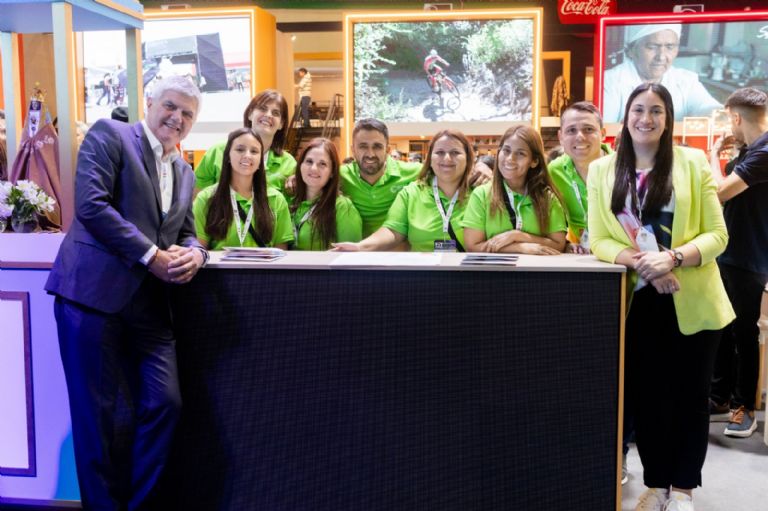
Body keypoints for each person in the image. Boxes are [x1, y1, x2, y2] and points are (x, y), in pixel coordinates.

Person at [44, 75, 208, 510]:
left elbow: (187, 233)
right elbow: (91, 205)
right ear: (149, 101)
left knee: (165, 404)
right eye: (170, 106)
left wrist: (197, 254)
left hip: (150, 308)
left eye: (187, 113)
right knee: (96, 419)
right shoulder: (111, 135)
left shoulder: (185, 171)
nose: (177, 118)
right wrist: (152, 255)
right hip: (91, 297)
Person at [588, 83, 734, 511]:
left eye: (656, 110)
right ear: (626, 116)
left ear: (668, 119)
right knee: (648, 398)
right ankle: (656, 485)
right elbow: (598, 240)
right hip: (638, 303)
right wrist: (644, 264)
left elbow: (718, 235)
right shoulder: (603, 170)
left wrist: (673, 258)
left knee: (690, 399)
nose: (646, 118)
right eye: (638, 109)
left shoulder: (691, 162)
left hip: (693, 298)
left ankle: (684, 488)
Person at [708, 87, 768, 438]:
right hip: (729, 252)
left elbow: (719, 192)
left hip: (749, 255)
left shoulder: (764, 153)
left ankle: (745, 406)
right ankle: (719, 397)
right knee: (723, 327)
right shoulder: (751, 151)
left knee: (744, 331)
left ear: (734, 117)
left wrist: (712, 156)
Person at [333, 129, 473, 252]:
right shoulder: (411, 193)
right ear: (430, 158)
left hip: (467, 271)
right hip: (423, 270)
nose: (447, 158)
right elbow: (392, 230)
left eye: (455, 152)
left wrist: (482, 168)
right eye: (440, 152)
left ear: (468, 157)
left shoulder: (479, 193)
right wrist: (360, 247)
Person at [462, 124, 567, 255]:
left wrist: (517, 236)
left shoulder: (547, 198)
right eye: (506, 150)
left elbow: (558, 244)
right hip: (493, 268)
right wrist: (519, 248)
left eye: (520, 153)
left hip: (536, 268)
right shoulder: (481, 194)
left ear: (534, 161)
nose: (510, 159)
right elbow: (472, 246)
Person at [193, 127, 293, 250]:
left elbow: (281, 251)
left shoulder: (276, 199)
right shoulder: (205, 198)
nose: (247, 155)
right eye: (240, 149)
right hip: (219, 263)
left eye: (254, 151)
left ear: (260, 160)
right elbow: (199, 250)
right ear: (228, 156)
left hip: (263, 263)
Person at [602, 24, 721, 123]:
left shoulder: (686, 81)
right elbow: (604, 128)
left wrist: (716, 115)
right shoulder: (610, 81)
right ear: (631, 51)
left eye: (670, 47)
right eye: (652, 47)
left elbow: (709, 107)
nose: (661, 57)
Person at [195, 89, 296, 195]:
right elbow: (196, 197)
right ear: (250, 114)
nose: (268, 115)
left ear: (281, 124)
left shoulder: (289, 164)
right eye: (262, 109)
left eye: (275, 113)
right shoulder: (217, 151)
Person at [548, 101, 613, 252]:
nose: (580, 137)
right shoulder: (554, 172)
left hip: (618, 252)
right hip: (579, 254)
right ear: (560, 137)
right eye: (571, 130)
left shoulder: (623, 168)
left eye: (588, 129)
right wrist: (565, 244)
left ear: (603, 133)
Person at [290, 137, 362, 250]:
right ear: (300, 165)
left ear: (332, 172)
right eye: (309, 161)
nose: (314, 168)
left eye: (322, 164)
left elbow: (350, 256)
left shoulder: (342, 207)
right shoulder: (290, 202)